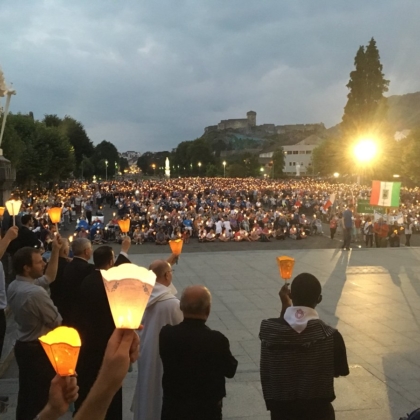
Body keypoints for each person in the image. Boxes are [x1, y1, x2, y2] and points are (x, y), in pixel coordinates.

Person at [259, 273, 349, 420]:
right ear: (319, 299)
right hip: (319, 413)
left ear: (290, 295)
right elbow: (341, 371)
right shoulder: (331, 336)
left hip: (282, 413)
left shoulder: (268, 331)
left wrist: (285, 307)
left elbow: (282, 330)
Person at [159, 285, 238, 420]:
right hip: (206, 410)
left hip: (174, 408)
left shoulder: (166, 334)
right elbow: (230, 370)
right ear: (208, 309)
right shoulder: (217, 340)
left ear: (182, 307)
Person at [7, 235, 63, 420]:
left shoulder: (15, 285)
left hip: (23, 346)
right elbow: (56, 321)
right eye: (39, 262)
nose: (43, 264)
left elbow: (49, 277)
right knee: (40, 398)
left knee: (27, 396)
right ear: (27, 267)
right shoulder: (35, 293)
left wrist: (55, 250)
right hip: (37, 350)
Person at [75, 241, 131, 419]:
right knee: (110, 387)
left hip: (89, 340)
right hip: (108, 341)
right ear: (110, 261)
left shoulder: (87, 280)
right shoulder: (112, 284)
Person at [132, 259, 183, 420]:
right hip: (166, 357)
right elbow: (181, 329)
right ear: (167, 275)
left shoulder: (139, 299)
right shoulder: (173, 305)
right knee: (161, 391)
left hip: (145, 352)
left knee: (147, 386)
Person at [59, 238, 94, 326]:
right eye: (91, 248)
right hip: (84, 313)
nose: (92, 250)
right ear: (86, 251)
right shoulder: (89, 269)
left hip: (67, 310)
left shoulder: (67, 266)